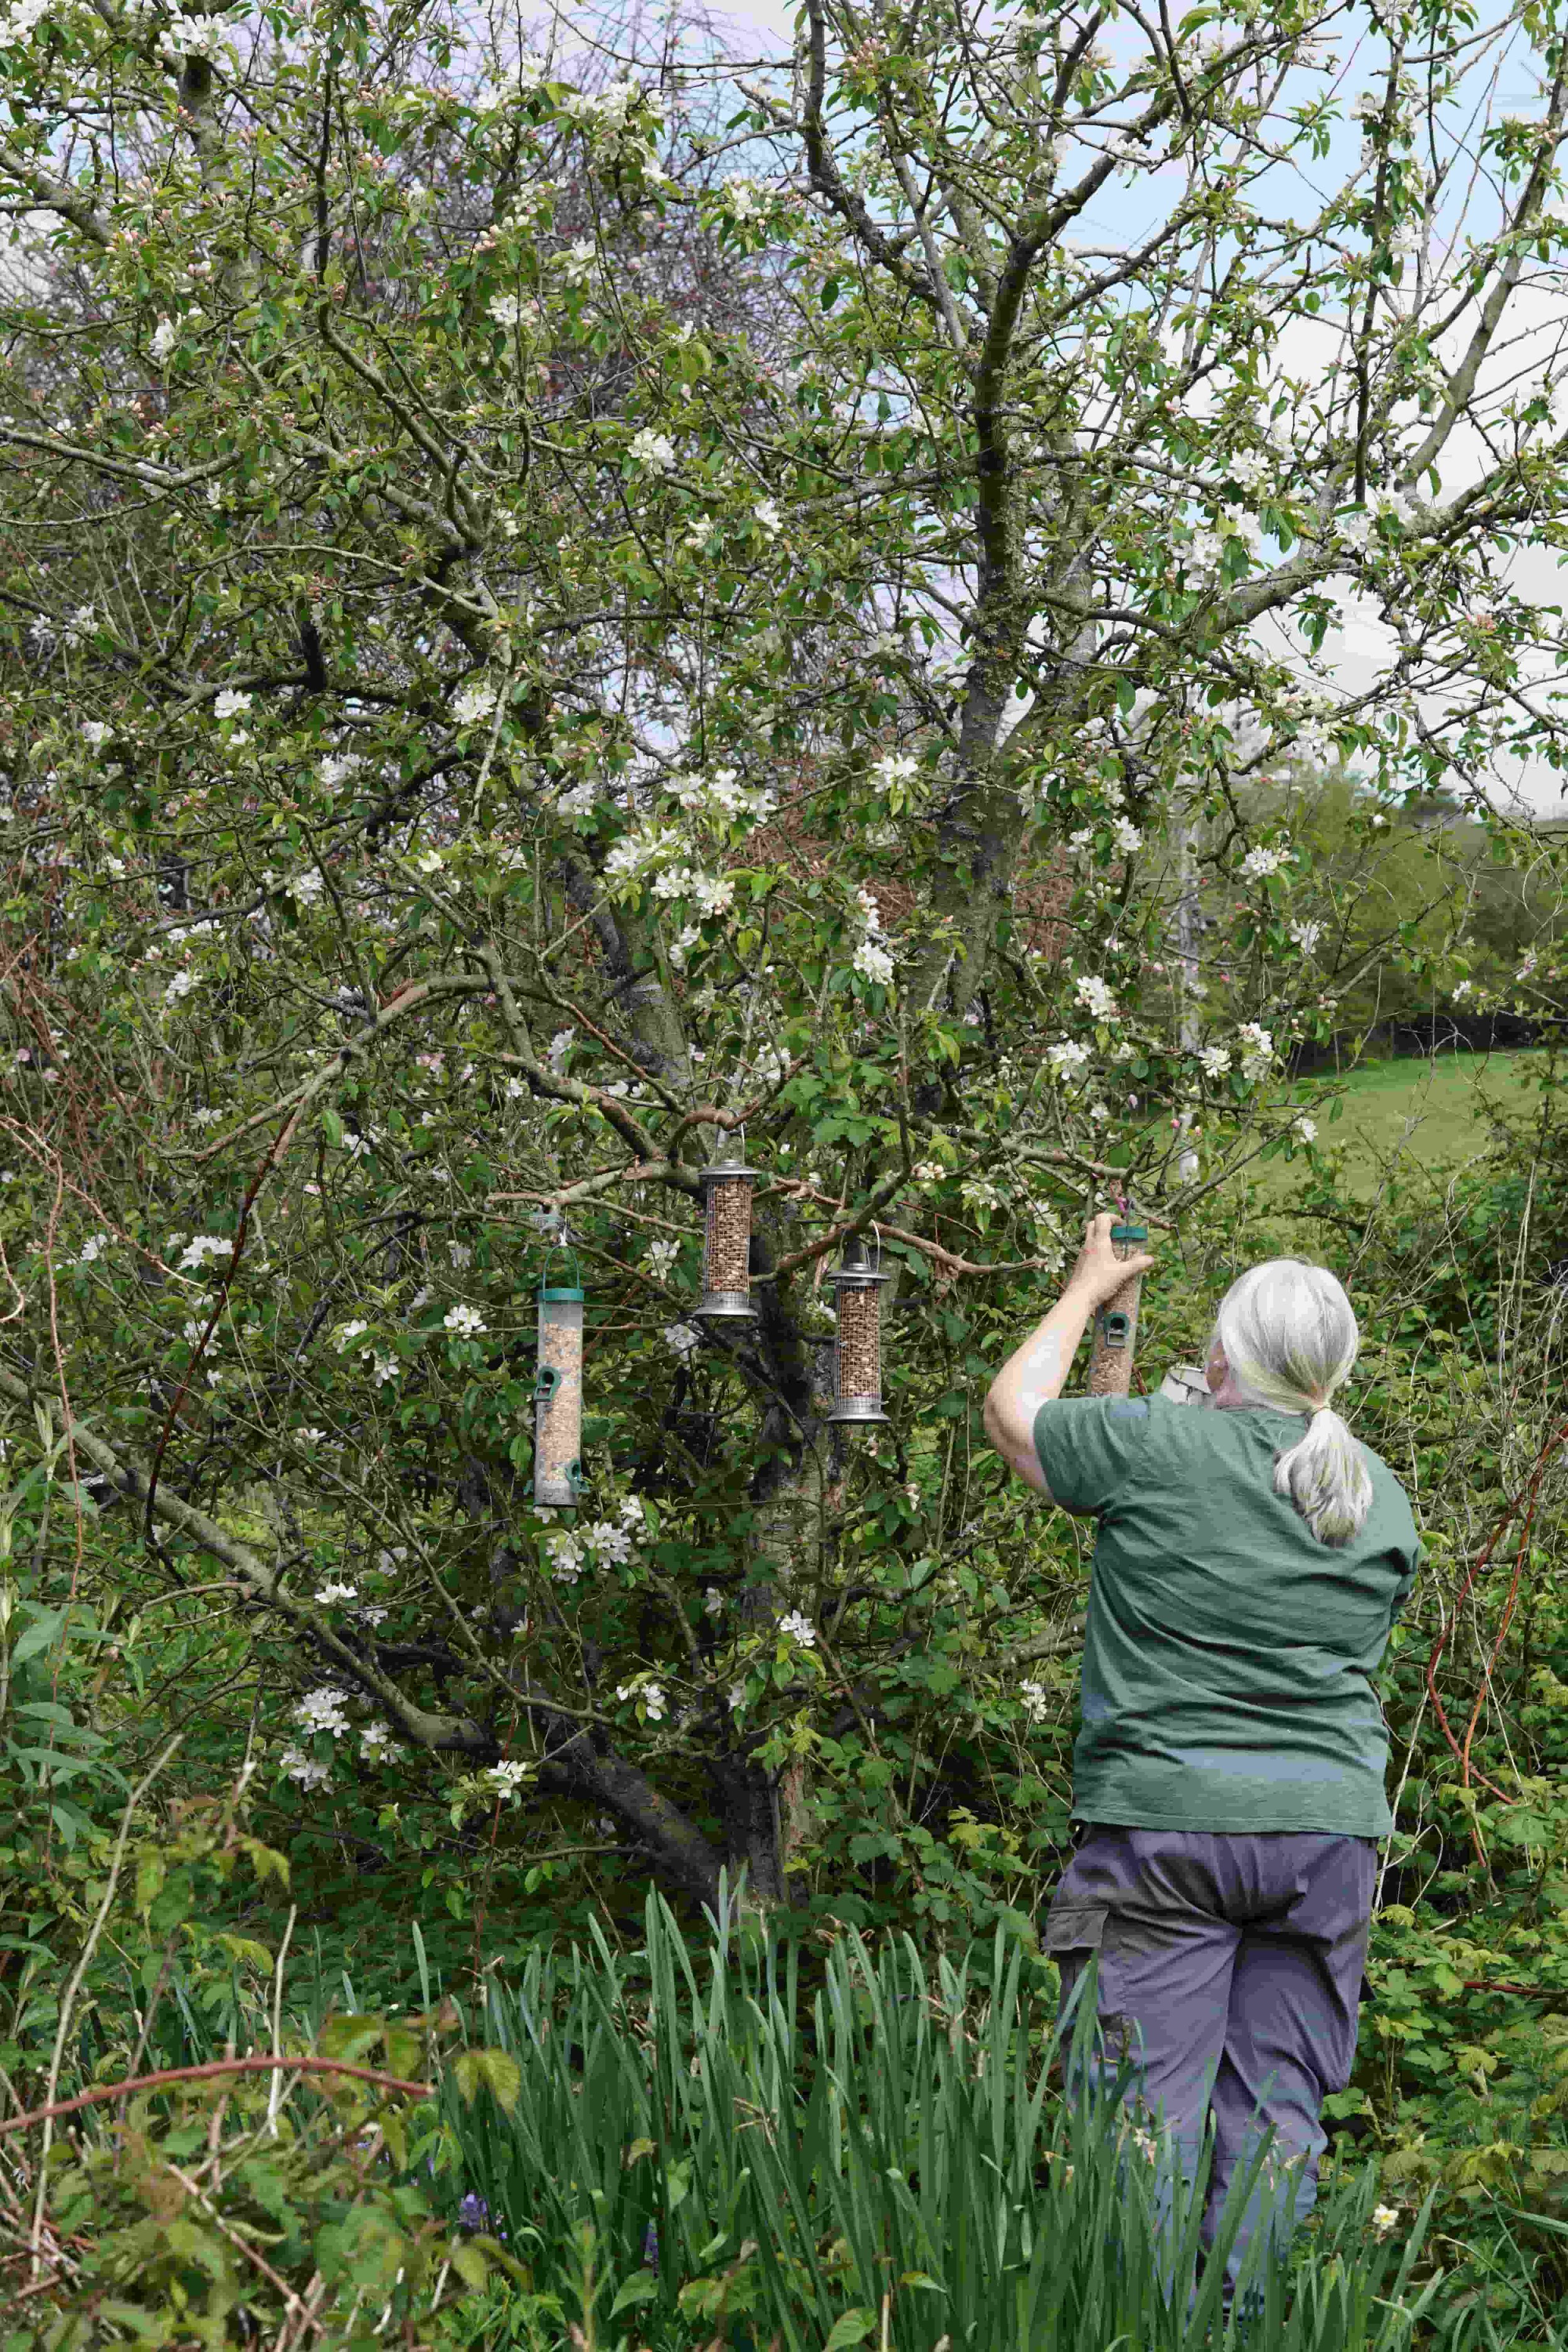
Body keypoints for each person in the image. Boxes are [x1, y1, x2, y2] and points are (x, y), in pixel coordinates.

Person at [982, 1214, 1421, 2312]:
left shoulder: (1152, 1446)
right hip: (1327, 1839)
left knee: (1143, 2114)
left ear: (1222, 1355)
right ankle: (1246, 2332)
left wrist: (1087, 1291)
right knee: (1278, 2114)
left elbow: (1011, 1414)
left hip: (1167, 1834)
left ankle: (1139, 2328)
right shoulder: (1378, 1497)